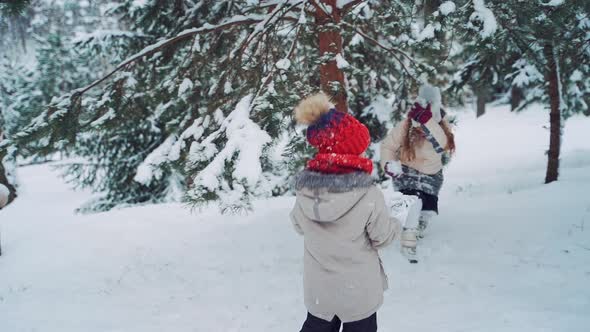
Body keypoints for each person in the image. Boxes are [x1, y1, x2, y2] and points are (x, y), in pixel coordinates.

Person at [290, 93, 407, 332]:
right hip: (357, 291)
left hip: (320, 290)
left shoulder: (305, 190)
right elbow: (381, 236)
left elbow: (298, 224)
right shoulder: (368, 193)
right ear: (353, 153)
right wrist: (397, 220)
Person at [380, 84, 455, 254]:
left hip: (430, 174)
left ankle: (419, 222)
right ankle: (407, 227)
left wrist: (427, 121)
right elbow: (388, 145)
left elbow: (442, 144)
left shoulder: (441, 124)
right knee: (409, 201)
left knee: (425, 206)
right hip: (407, 172)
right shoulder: (406, 124)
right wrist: (388, 163)